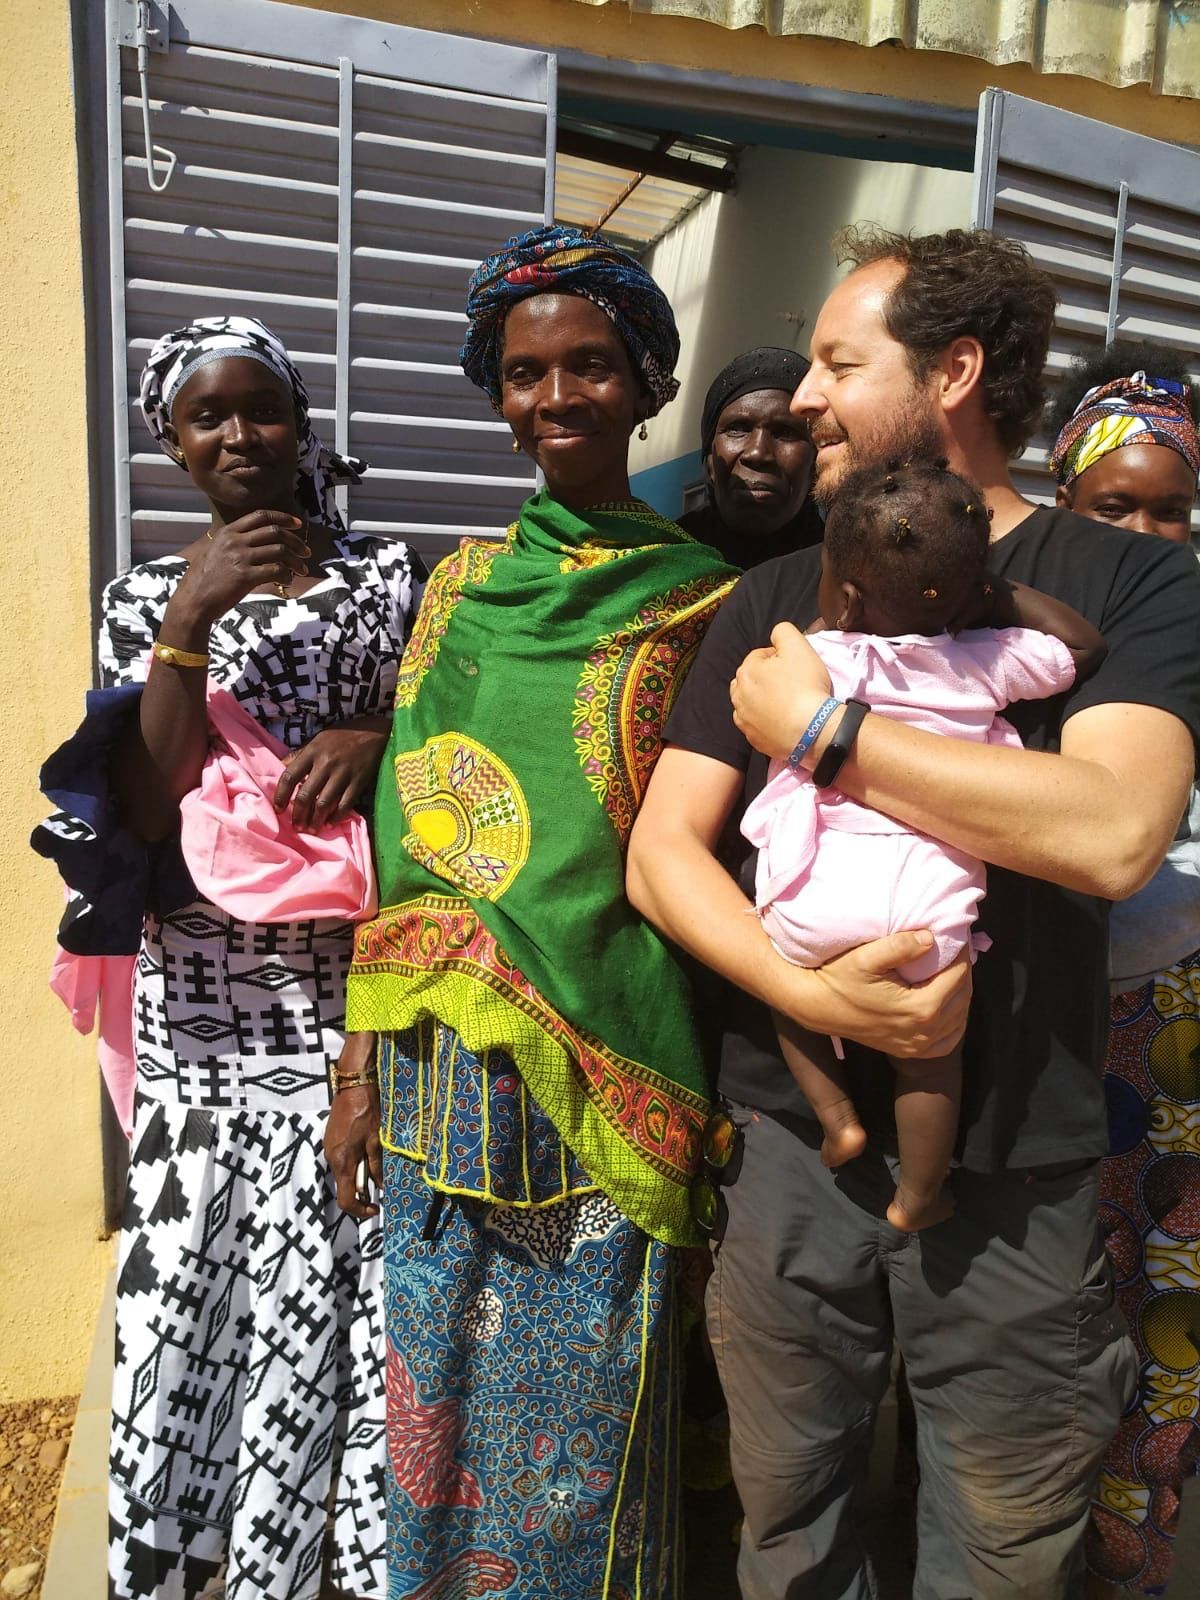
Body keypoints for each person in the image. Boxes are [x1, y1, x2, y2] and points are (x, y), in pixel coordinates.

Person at [627, 226, 1200, 1598]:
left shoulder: (1127, 581)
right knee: (789, 1519)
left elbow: (1115, 833)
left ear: (952, 371)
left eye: (838, 363)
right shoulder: (773, 588)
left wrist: (827, 733)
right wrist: (817, 997)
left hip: (1020, 1160)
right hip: (788, 1142)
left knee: (1003, 1542)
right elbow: (666, 857)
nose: (807, 399)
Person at [324, 224, 737, 1600]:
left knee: (585, 1428)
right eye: (524, 372)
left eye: (589, 366)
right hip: (439, 1076)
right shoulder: (455, 587)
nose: (555, 397)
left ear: (643, 382)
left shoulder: (700, 603)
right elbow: (409, 842)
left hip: (604, 1070)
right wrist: (355, 1077)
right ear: (494, 391)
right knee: (430, 1400)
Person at [34, 315, 424, 1600]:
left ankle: (326, 1558)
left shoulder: (392, 580)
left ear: (299, 423)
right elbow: (148, 806)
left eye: (262, 408)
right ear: (172, 442)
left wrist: (373, 731)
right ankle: (201, 1556)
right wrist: (193, 612)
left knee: (342, 1276)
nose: (240, 435)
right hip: (204, 1004)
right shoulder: (144, 596)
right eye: (209, 417)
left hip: (345, 990)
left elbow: (438, 749)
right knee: (196, 1282)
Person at [746, 456, 1104, 1232]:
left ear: (842, 595)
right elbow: (1079, 648)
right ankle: (919, 1195)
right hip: (925, 906)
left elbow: (778, 666)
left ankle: (837, 1115)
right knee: (931, 1056)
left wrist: (824, 622)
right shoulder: (985, 662)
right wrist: (987, 592)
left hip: (818, 896)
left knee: (783, 993)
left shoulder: (827, 657)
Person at [1045, 348, 1200, 1599]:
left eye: (1172, 510)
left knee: (1179, 1308)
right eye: (1118, 508)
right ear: (1062, 496)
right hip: (1063, 1015)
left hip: (1188, 1018)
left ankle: (1133, 1546)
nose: (1152, 533)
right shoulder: (1028, 631)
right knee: (1061, 1297)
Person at [677, 345, 823, 567]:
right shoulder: (659, 561)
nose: (757, 453)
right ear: (709, 462)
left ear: (816, 465)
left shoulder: (852, 575)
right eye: (738, 429)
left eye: (785, 433)